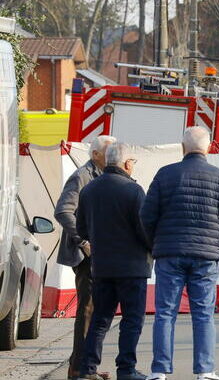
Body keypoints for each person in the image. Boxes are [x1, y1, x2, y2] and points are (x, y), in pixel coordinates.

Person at [141, 127, 219, 380]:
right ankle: (205, 371)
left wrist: (157, 244)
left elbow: (146, 216)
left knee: (165, 312)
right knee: (204, 313)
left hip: (169, 254)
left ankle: (159, 371)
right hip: (206, 257)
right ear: (208, 147)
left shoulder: (164, 175)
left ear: (183, 147)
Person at [76, 143, 151, 380]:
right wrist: (153, 248)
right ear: (127, 163)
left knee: (100, 319)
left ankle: (87, 369)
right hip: (133, 267)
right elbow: (144, 229)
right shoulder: (134, 191)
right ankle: (126, 369)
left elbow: (81, 229)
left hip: (102, 266)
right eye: (133, 162)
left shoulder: (89, 190)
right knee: (132, 319)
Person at [55, 135, 116, 380]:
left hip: (99, 254)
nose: (113, 158)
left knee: (96, 309)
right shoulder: (82, 176)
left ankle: (86, 365)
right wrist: (83, 241)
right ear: (95, 155)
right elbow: (63, 210)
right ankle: (79, 368)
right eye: (108, 153)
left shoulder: (100, 176)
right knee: (88, 310)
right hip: (85, 256)